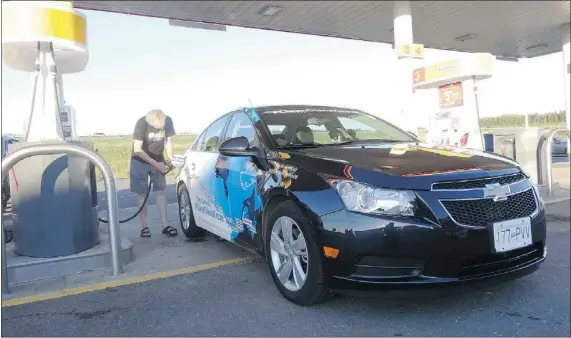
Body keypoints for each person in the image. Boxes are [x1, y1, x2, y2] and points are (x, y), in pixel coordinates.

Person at [130, 109, 178, 238]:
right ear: (150, 122)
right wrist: (157, 165)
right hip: (140, 160)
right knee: (142, 193)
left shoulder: (167, 120)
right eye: (157, 127)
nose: (160, 128)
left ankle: (164, 224)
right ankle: (144, 226)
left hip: (158, 158)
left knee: (161, 191)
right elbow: (137, 150)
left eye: (161, 126)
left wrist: (170, 160)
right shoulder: (141, 123)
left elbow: (168, 141)